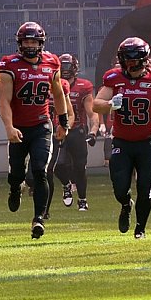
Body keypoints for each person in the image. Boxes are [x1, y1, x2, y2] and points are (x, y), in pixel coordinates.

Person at [91, 37, 151, 239]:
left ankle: (140, 228)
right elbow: (96, 104)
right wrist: (110, 105)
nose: (130, 63)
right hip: (122, 141)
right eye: (126, 59)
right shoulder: (114, 78)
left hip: (148, 141)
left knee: (145, 187)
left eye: (133, 59)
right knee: (120, 187)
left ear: (144, 59)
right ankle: (126, 204)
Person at [0, 21, 69, 240]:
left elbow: (58, 94)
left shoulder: (52, 62)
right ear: (20, 43)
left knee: (40, 170)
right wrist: (9, 127)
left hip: (41, 125)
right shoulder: (9, 65)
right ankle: (14, 188)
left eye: (34, 42)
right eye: (26, 42)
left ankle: (38, 219)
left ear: (41, 43)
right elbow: (4, 100)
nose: (30, 45)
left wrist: (63, 122)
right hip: (19, 127)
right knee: (17, 173)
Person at [54, 54, 97, 210]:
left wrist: (93, 131)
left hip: (76, 130)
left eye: (68, 66)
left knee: (80, 167)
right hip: (58, 130)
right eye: (63, 66)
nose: (65, 70)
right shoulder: (53, 84)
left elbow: (92, 112)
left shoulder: (84, 86)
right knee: (57, 164)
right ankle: (66, 184)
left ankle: (82, 199)